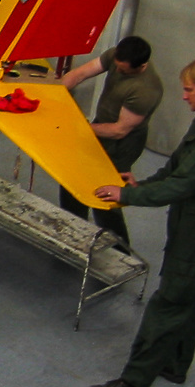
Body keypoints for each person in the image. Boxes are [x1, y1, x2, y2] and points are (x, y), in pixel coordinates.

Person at [84, 57, 195, 387]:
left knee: (171, 299)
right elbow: (177, 168)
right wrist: (141, 182)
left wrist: (128, 195)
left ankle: (132, 382)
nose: (183, 96)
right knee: (190, 292)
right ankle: (175, 363)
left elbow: (186, 183)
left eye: (189, 89)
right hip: (191, 219)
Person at [58, 35, 162, 245]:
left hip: (122, 144)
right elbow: (80, 74)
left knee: (105, 196)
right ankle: (73, 232)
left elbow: (119, 130)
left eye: (124, 71)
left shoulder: (146, 90)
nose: (118, 72)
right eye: (117, 67)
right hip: (100, 126)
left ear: (141, 66)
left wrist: (78, 127)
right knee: (73, 179)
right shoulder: (117, 56)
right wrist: (55, 94)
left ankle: (120, 251)